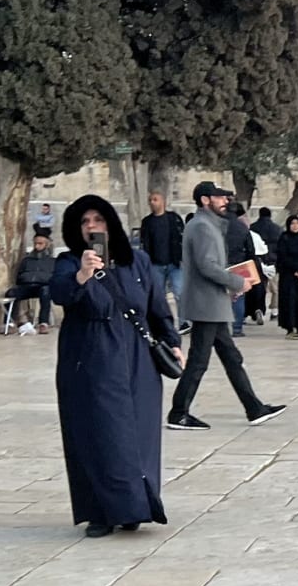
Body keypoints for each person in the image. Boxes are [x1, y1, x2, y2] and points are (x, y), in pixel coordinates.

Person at [50, 195, 183, 538]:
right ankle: (101, 512)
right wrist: (83, 273)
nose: (91, 227)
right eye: (84, 222)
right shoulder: (69, 263)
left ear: (111, 224)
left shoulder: (138, 262)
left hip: (137, 359)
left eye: (98, 220)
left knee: (138, 437)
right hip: (91, 358)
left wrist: (173, 342)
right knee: (99, 434)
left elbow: (155, 307)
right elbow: (59, 293)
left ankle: (135, 506)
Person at [166, 182, 284, 431]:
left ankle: (254, 408)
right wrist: (237, 282)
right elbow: (207, 266)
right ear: (205, 200)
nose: (225, 202)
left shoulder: (209, 225)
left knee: (231, 357)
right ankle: (178, 412)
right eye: (220, 198)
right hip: (206, 304)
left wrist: (228, 288)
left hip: (213, 302)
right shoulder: (202, 226)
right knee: (199, 360)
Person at [138, 191, 185, 327]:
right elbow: (144, 244)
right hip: (155, 264)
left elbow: (182, 238)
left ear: (163, 201)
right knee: (157, 297)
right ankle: (162, 323)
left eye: (155, 199)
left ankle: (183, 322)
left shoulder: (173, 218)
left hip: (174, 263)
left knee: (179, 293)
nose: (152, 202)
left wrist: (182, 257)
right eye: (150, 200)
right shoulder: (147, 222)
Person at [4, 230, 58, 332]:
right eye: (35, 243)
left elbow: (55, 278)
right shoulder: (26, 260)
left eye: (40, 243)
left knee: (46, 292)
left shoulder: (52, 261)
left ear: (46, 245)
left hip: (42, 287)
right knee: (11, 292)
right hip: (27, 287)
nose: (37, 246)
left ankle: (43, 323)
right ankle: (9, 323)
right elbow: (19, 276)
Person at [274, 214, 298, 339]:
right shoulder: (284, 238)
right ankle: (290, 328)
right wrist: (296, 269)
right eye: (292, 224)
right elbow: (283, 257)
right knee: (289, 302)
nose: (295, 226)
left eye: (297, 223)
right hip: (289, 276)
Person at [223, 202, 258, 337]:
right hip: (239, 265)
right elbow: (250, 249)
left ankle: (222, 326)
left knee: (220, 296)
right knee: (238, 296)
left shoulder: (217, 225)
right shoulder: (242, 227)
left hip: (221, 263)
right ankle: (237, 327)